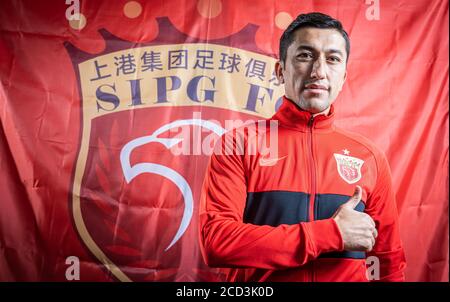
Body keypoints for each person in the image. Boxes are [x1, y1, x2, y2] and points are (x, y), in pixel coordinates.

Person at [199, 12, 406, 282]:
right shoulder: (239, 145)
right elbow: (217, 242)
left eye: (332, 59)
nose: (318, 71)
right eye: (305, 55)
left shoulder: (369, 157)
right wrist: (332, 234)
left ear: (343, 76)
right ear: (280, 70)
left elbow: (387, 261)